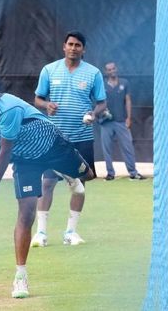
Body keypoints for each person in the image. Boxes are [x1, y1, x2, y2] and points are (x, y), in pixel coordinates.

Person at [0, 68, 94, 298]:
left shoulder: (8, 108)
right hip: (25, 160)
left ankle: (67, 173)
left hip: (53, 145)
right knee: (25, 214)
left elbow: (4, 150)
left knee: (88, 175)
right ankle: (20, 276)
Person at [32, 31, 107, 247]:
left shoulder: (93, 73)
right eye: (70, 44)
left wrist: (94, 113)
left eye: (78, 45)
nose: (74, 48)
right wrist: (47, 105)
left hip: (82, 138)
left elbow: (102, 103)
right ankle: (41, 233)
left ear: (83, 49)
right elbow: (38, 99)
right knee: (46, 183)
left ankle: (71, 233)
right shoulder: (49, 70)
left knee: (79, 185)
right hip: (53, 138)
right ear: (64, 46)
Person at [100, 62, 146, 181]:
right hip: (106, 122)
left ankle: (133, 172)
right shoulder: (102, 85)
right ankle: (110, 174)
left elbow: (128, 100)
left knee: (128, 147)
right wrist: (102, 112)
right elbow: (99, 102)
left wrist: (128, 118)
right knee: (107, 149)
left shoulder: (124, 83)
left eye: (113, 68)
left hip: (121, 121)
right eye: (109, 69)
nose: (112, 71)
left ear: (117, 69)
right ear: (106, 72)